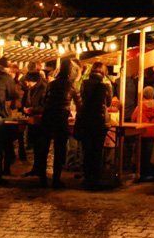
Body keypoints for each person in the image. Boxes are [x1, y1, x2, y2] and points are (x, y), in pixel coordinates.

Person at [38, 57, 80, 188]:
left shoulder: (51, 84)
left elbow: (43, 101)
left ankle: (42, 178)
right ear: (70, 71)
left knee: (44, 148)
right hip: (61, 118)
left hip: (47, 116)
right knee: (59, 149)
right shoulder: (71, 86)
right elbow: (79, 104)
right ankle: (56, 179)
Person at [75, 61, 112, 189]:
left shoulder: (84, 84)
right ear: (103, 73)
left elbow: (80, 100)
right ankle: (95, 178)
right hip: (99, 121)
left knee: (87, 149)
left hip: (85, 120)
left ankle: (87, 177)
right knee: (97, 150)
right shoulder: (105, 86)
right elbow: (108, 103)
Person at [131, 86, 154, 181]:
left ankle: (143, 173)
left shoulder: (140, 106)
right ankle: (153, 173)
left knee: (143, 155)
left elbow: (133, 118)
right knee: (153, 155)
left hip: (142, 133)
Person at [20, 71, 46, 177]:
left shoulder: (43, 89)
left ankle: (40, 170)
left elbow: (44, 106)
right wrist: (27, 109)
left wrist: (33, 109)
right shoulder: (31, 89)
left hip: (41, 122)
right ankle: (36, 168)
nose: (27, 84)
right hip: (32, 120)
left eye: (28, 81)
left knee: (40, 146)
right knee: (35, 146)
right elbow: (29, 102)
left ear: (33, 81)